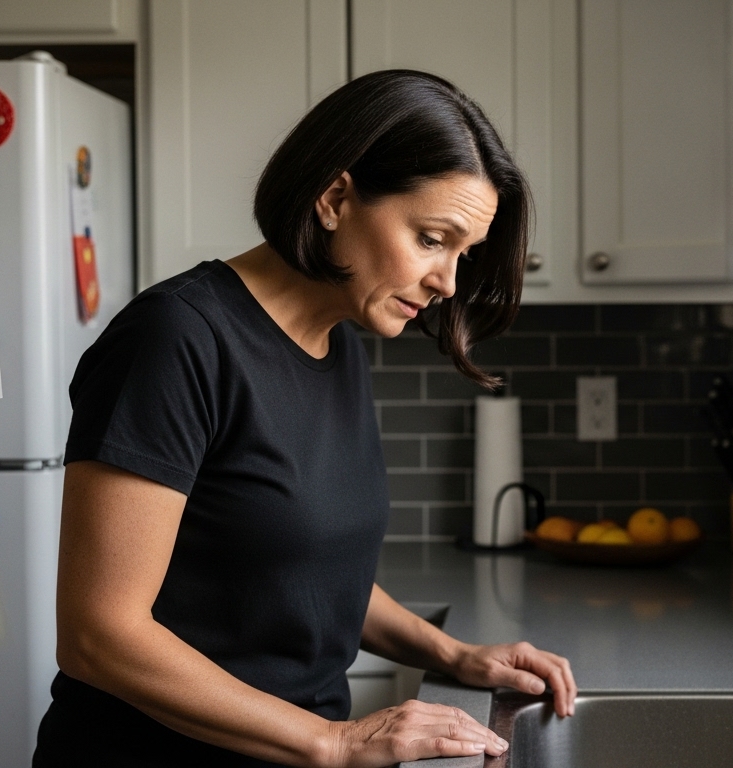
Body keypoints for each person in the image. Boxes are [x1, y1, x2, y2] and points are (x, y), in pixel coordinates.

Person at [33, 70, 576, 768]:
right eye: (432, 238)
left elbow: (306, 573)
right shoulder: (176, 340)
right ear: (335, 197)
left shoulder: (339, 341)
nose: (448, 281)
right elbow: (97, 634)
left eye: (462, 254)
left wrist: (454, 655)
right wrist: (334, 740)